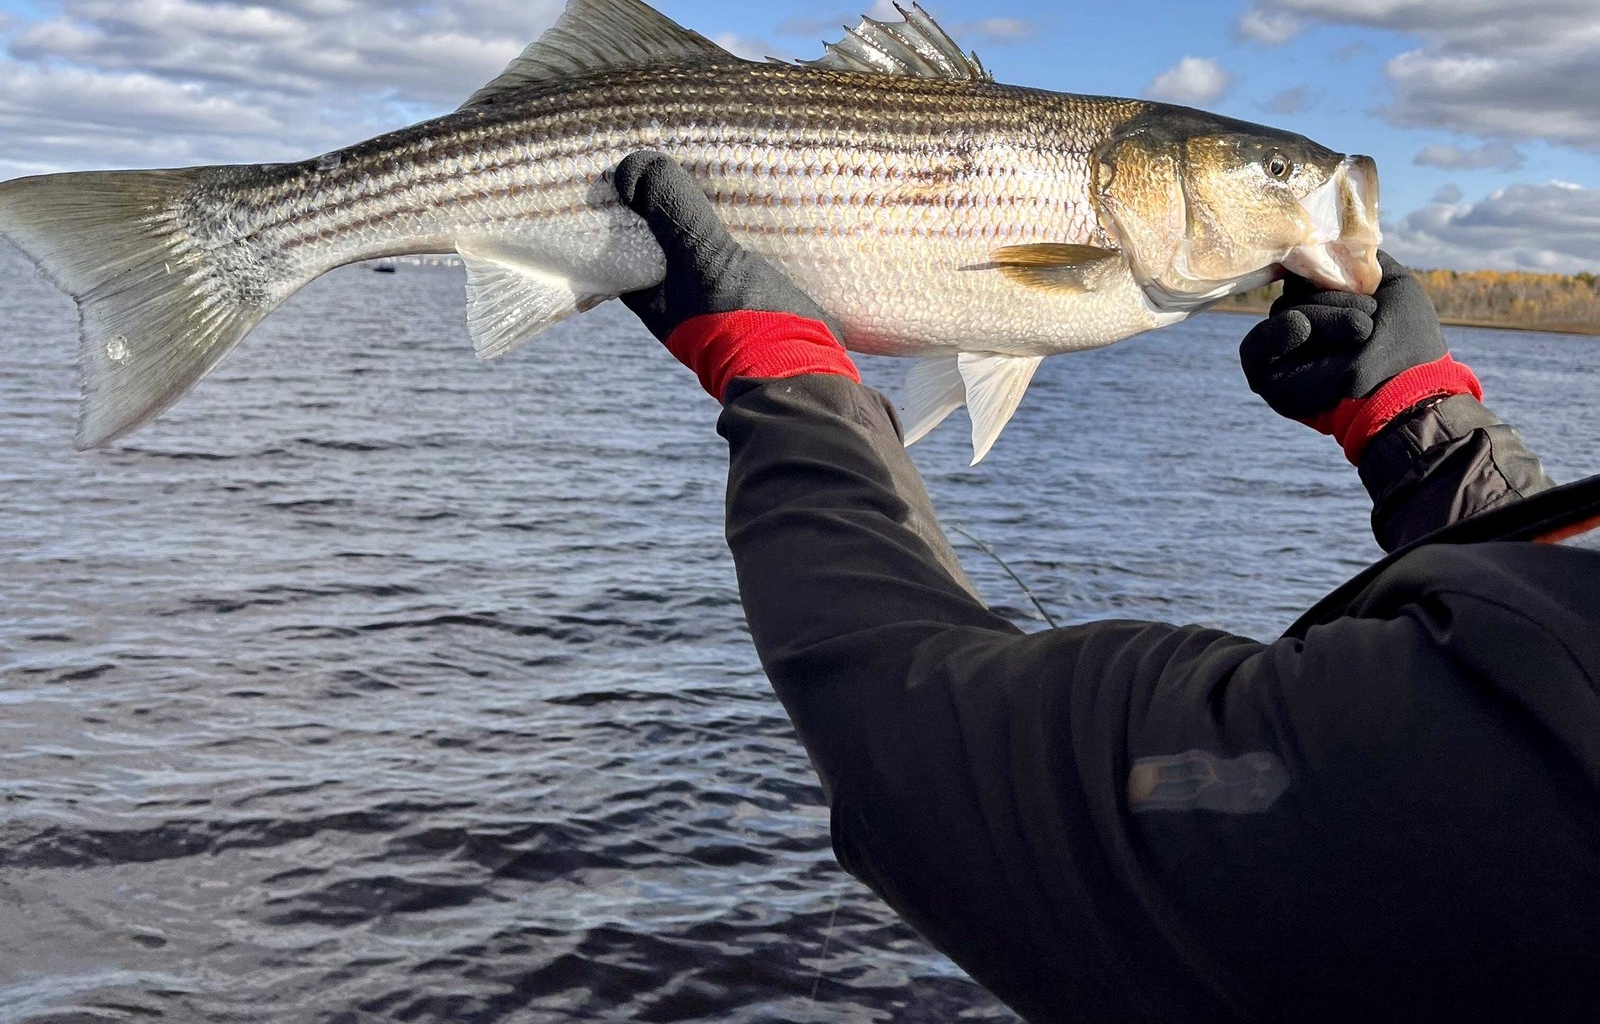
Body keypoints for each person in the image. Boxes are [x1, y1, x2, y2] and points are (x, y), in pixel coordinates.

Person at [609, 150, 1600, 1024]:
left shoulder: (1490, 800)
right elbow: (1545, 639)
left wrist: (777, 365)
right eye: (1272, 173)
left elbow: (916, 744)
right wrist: (1423, 433)